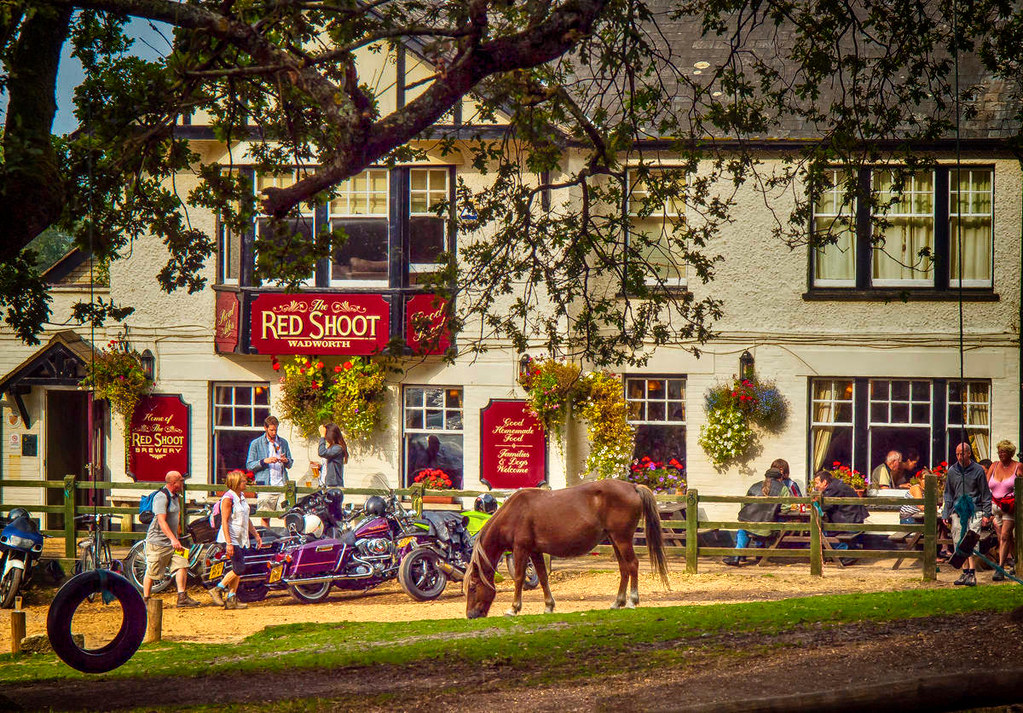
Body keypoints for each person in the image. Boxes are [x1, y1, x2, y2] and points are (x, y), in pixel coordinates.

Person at [143, 470, 200, 608]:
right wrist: (173, 539)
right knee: (152, 571)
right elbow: (161, 521)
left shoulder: (175, 497)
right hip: (158, 542)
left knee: (182, 564)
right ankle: (145, 599)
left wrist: (177, 536)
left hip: (173, 541)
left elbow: (176, 517)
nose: (183, 482)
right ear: (173, 482)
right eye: (180, 480)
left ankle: (182, 597)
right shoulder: (161, 497)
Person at [210, 469, 262, 609]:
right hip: (230, 538)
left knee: (237, 568)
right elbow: (224, 522)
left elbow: (246, 518)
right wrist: (228, 543)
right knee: (239, 568)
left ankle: (232, 598)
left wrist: (256, 535)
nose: (246, 483)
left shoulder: (242, 497)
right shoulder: (228, 498)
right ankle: (218, 589)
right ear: (237, 483)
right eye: (244, 481)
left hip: (240, 537)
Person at [943, 442, 992, 586]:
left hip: (975, 508)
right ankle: (964, 572)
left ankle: (972, 572)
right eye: (957, 454)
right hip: (958, 510)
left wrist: (986, 513)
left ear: (969, 454)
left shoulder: (978, 470)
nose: (959, 457)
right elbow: (948, 494)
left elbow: (985, 493)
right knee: (958, 540)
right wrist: (946, 512)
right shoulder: (952, 471)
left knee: (970, 540)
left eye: (962, 454)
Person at [722, 467, 794, 566]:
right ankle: (747, 555)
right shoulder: (783, 488)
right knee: (750, 529)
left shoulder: (755, 486)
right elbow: (785, 508)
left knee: (743, 529)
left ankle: (737, 556)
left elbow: (744, 504)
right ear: (780, 478)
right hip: (767, 528)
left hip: (749, 524)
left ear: (766, 477)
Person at [246, 415, 293, 527]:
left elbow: (290, 463)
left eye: (275, 430)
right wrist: (264, 461)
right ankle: (265, 540)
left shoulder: (283, 443)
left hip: (282, 484)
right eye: (271, 430)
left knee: (287, 514)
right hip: (265, 485)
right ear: (265, 428)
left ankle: (287, 540)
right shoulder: (256, 444)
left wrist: (285, 461)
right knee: (265, 515)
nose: (274, 432)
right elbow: (249, 465)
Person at [986, 440, 1021, 581]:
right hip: (995, 506)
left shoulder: (1018, 467)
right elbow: (985, 485)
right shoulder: (994, 466)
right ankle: (1015, 561)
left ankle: (999, 569)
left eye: (1004, 452)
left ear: (1010, 453)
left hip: (1009, 507)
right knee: (1003, 538)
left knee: (1006, 535)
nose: (1001, 454)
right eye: (999, 451)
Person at [318, 423, 349, 488]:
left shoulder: (338, 448)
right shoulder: (332, 448)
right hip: (326, 485)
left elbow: (321, 452)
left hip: (334, 486)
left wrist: (322, 436)